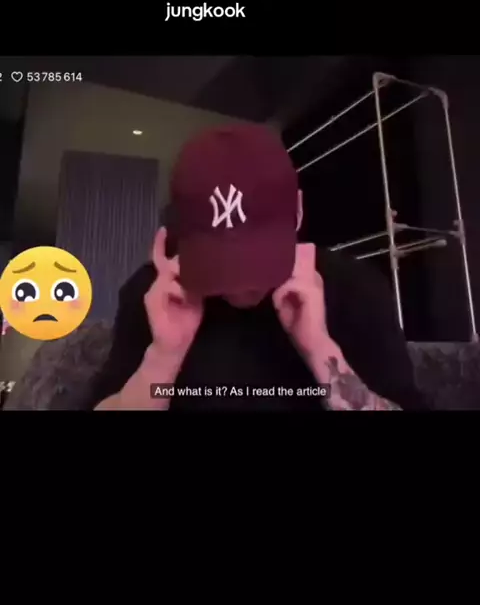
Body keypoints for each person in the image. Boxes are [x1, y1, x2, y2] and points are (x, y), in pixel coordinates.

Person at [95, 123, 426, 411]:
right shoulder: (153, 294)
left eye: (258, 255)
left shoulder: (355, 288)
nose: (240, 286)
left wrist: (319, 348)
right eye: (217, 260)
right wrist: (163, 358)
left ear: (298, 210)